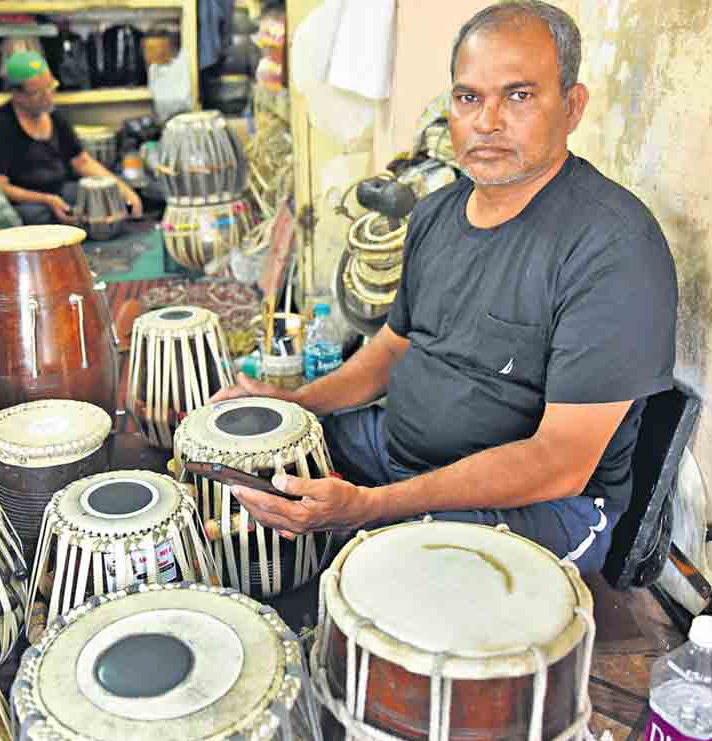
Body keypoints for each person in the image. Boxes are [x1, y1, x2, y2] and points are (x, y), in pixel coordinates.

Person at [213, 0, 678, 575]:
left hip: (548, 508)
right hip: (396, 452)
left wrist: (373, 508)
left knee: (389, 569)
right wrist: (297, 404)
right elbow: (389, 350)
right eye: (468, 97)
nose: (487, 122)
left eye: (520, 95)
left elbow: (561, 462)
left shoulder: (613, 245)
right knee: (250, 461)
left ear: (573, 106)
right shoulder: (436, 213)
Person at [0, 51, 143, 226]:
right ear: (17, 95)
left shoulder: (53, 116)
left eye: (51, 87)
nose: (49, 97)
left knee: (103, 192)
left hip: (60, 192)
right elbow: (0, 186)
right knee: (36, 216)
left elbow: (82, 162)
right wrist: (47, 200)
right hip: (29, 203)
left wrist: (123, 191)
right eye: (38, 93)